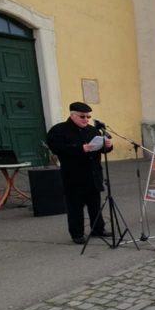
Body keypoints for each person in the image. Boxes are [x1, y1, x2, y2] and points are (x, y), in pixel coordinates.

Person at [46, 102, 113, 244]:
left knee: (95, 204)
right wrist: (81, 148)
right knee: (75, 206)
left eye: (88, 116)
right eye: (82, 116)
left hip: (93, 174)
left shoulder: (92, 130)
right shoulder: (59, 130)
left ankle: (98, 229)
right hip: (74, 175)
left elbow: (101, 150)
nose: (86, 119)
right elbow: (57, 148)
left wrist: (108, 146)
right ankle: (77, 233)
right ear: (73, 115)